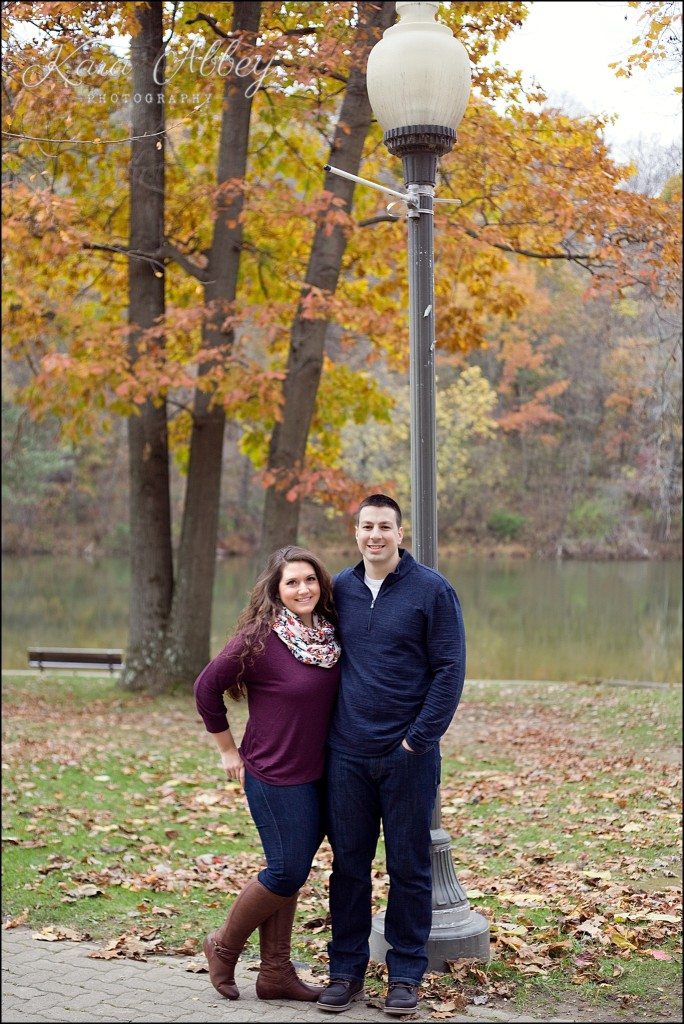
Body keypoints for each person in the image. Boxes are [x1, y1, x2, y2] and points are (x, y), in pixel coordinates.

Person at [317, 495, 466, 1017]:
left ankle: (405, 975)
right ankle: (345, 973)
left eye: (384, 527)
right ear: (355, 532)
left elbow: (450, 671)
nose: (374, 535)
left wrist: (415, 741)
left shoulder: (433, 591)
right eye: (366, 526)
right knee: (349, 868)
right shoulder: (338, 590)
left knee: (408, 869)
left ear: (401, 533)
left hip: (408, 757)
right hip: (347, 756)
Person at [194, 545, 341, 1003]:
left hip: (321, 772)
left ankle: (276, 973)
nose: (303, 588)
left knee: (291, 872)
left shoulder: (329, 636)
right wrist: (226, 750)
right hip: (274, 773)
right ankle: (223, 946)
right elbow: (206, 687)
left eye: (310, 579)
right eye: (292, 582)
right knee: (286, 869)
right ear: (276, 590)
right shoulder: (261, 636)